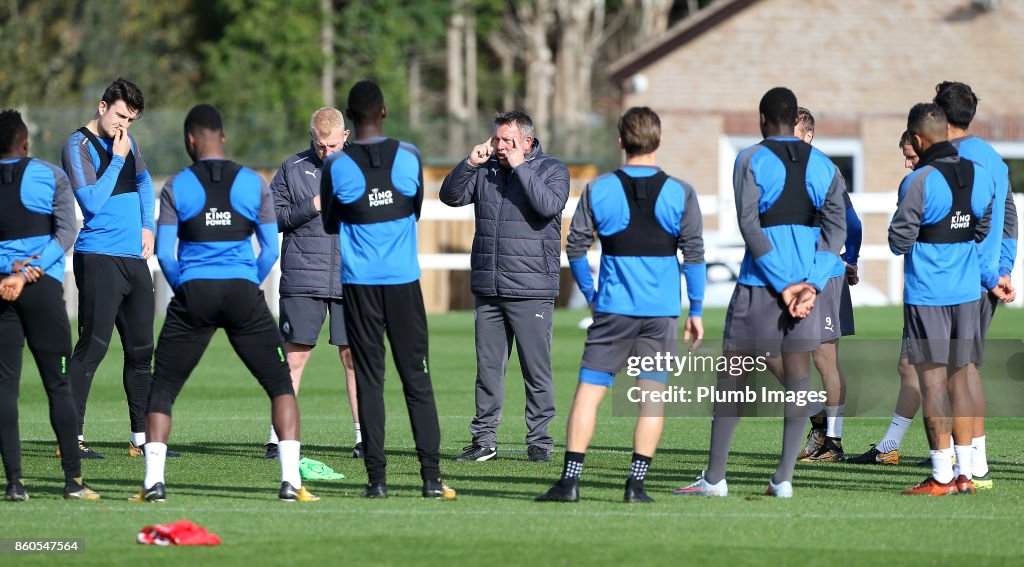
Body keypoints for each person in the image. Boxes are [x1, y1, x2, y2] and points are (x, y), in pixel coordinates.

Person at [132, 104, 318, 503]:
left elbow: (165, 255)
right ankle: (291, 483)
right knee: (280, 385)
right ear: (224, 138)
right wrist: (246, 281)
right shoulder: (253, 182)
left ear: (190, 140)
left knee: (162, 386)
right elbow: (270, 249)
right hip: (241, 292)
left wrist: (188, 287)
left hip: (194, 292)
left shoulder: (177, 185)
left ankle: (153, 484)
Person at [674, 87, 846, 498]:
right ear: (794, 118)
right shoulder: (826, 167)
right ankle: (783, 479)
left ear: (763, 120)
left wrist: (783, 284)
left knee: (733, 376)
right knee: (800, 376)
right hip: (807, 291)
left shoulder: (749, 159)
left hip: (759, 288)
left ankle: (715, 479)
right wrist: (811, 283)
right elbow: (836, 232)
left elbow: (749, 226)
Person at [534, 107, 705, 503]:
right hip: (660, 314)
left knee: (589, 393)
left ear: (620, 142)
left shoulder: (598, 189)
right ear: (659, 142)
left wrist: (593, 296)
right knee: (652, 397)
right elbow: (694, 255)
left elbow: (575, 247)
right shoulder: (681, 192)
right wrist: (694, 309)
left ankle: (570, 482)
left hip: (612, 311)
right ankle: (635, 485)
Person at [320, 80, 453, 499]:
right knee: (418, 381)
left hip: (360, 289)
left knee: (370, 383)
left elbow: (329, 222)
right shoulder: (410, 157)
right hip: (402, 287)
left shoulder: (335, 167)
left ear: (350, 118)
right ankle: (431, 479)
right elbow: (412, 213)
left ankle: (377, 482)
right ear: (384, 112)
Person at [440, 111, 569, 463]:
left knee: (536, 370)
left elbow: (548, 206)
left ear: (528, 142)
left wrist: (520, 167)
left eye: (508, 141)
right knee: (487, 371)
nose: (500, 146)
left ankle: (539, 443)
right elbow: (449, 197)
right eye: (498, 139)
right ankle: (484, 442)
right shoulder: (485, 170)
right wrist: (468, 163)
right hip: (488, 286)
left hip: (532, 289)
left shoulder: (552, 170)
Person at [889, 102, 1000, 496]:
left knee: (934, 383)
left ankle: (941, 477)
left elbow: (898, 240)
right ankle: (967, 473)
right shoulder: (982, 175)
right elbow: (984, 227)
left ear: (917, 139)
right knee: (963, 378)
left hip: (929, 295)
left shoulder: (918, 181)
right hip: (969, 292)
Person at [60, 78, 168, 459]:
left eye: (131, 120)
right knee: (92, 348)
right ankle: (70, 440)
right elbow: (89, 201)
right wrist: (118, 158)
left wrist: (148, 227)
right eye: (121, 115)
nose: (125, 125)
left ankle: (141, 439)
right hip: (99, 258)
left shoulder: (127, 142)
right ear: (102, 106)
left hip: (133, 260)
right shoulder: (78, 145)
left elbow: (142, 182)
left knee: (142, 351)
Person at [0, 109, 100, 501]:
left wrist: (8, 273)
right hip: (39, 287)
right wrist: (26, 272)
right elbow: (67, 230)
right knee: (58, 384)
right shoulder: (49, 175)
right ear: (25, 143)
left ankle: (14, 484)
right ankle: (73, 482)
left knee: (5, 388)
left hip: (3, 289)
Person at [263, 107, 362, 460]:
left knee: (354, 360)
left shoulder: (363, 167)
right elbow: (272, 217)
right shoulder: (292, 168)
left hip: (352, 279)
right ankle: (278, 437)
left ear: (345, 136)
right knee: (294, 359)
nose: (327, 152)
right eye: (321, 146)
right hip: (303, 277)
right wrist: (314, 204)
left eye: (333, 145)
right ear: (312, 138)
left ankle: (363, 438)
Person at [934, 81, 1017, 489]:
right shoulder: (995, 159)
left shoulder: (952, 160)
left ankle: (960, 466)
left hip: (959, 279)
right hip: (985, 278)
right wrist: (1002, 269)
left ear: (938, 115)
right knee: (966, 370)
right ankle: (974, 463)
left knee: (953, 373)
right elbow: (1009, 218)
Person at [790, 107, 863, 463]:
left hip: (823, 275)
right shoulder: (781, 166)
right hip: (791, 276)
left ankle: (832, 441)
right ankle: (819, 419)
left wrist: (852, 258)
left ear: (809, 135)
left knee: (824, 359)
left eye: (795, 132)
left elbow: (853, 222)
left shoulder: (823, 169)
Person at [847, 131, 923, 466]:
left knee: (943, 371)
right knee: (912, 367)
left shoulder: (921, 184)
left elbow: (898, 240)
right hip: (925, 292)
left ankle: (958, 457)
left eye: (911, 155)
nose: (907, 164)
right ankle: (890, 447)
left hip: (937, 295)